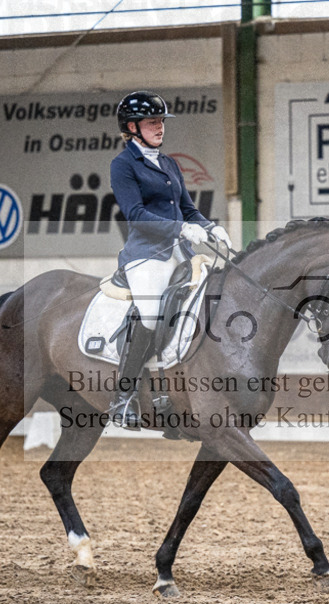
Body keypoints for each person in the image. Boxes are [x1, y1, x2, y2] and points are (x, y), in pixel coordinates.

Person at [108, 90, 231, 430]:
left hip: (181, 250)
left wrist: (210, 228)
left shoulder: (169, 162)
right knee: (150, 314)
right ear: (132, 127)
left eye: (162, 121)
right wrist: (180, 229)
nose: (160, 127)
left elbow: (188, 208)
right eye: (152, 122)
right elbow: (135, 214)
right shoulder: (123, 165)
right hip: (147, 254)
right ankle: (124, 397)